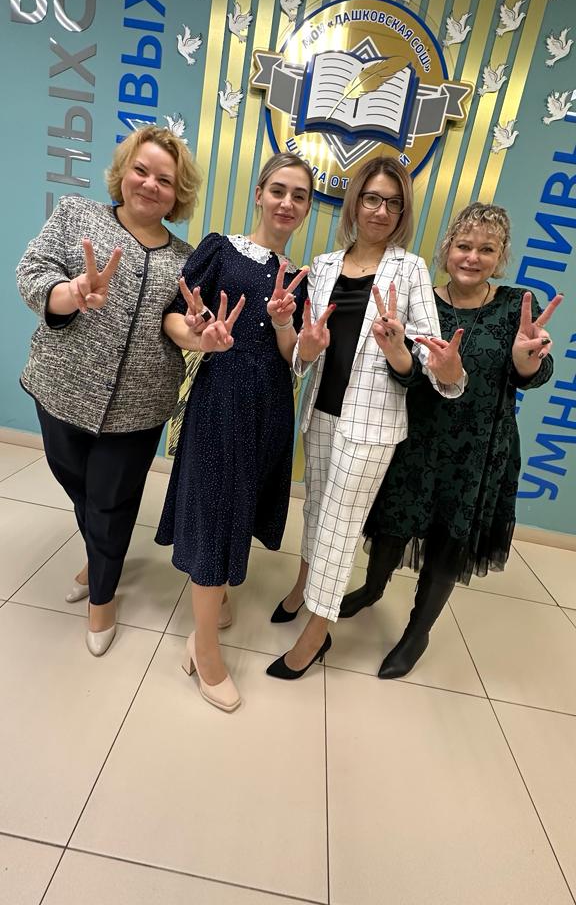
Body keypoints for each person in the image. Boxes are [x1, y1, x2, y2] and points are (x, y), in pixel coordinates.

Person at [16, 125, 241, 657]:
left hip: (138, 410)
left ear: (178, 194)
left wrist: (200, 336)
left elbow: (180, 323)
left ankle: (102, 597)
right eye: (141, 171)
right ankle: (100, 556)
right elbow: (32, 272)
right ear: (123, 173)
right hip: (60, 388)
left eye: (165, 180)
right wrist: (70, 292)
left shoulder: (186, 258)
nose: (150, 184)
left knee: (111, 503)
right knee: (81, 489)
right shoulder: (77, 215)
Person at [340, 202, 562, 679]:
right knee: (391, 525)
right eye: (464, 245)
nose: (472, 257)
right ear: (447, 249)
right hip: (415, 440)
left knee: (448, 540)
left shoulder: (515, 306)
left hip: (478, 450)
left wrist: (527, 360)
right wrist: (397, 351)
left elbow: (532, 372)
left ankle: (417, 632)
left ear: (500, 257)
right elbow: (402, 374)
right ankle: (372, 589)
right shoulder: (422, 300)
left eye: (486, 249)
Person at [266, 156, 467, 681]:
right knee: (316, 511)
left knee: (340, 527)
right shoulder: (324, 265)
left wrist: (405, 352)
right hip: (321, 412)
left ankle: (316, 634)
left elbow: (428, 358)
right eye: (372, 198)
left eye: (393, 203)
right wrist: (303, 345)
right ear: (355, 202)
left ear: (402, 213)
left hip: (373, 427)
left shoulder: (411, 269)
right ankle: (301, 587)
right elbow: (304, 353)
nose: (381, 210)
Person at [156, 151, 313, 712]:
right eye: (279, 190)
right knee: (215, 512)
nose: (287, 203)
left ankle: (215, 598)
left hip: (270, 405)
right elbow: (174, 316)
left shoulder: (300, 276)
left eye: (299, 195)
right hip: (221, 397)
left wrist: (285, 322)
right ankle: (205, 651)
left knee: (238, 508)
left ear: (308, 207)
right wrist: (196, 334)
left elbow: (293, 357)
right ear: (259, 193)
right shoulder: (221, 249)